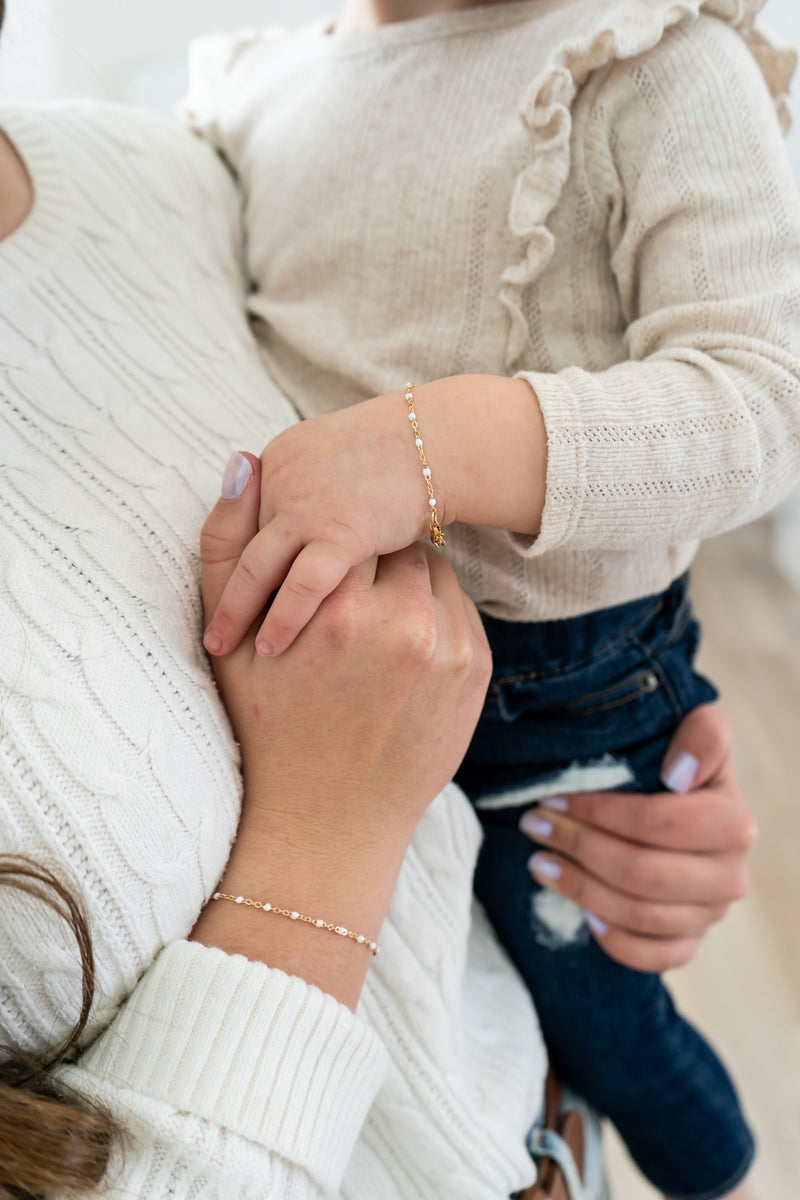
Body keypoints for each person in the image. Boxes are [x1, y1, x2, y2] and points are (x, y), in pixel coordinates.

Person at [0, 36, 757, 1200]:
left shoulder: (155, 168)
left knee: (606, 994)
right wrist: (332, 830)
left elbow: (747, 391)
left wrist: (629, 746)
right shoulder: (255, 91)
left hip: (563, 743)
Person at [183, 2, 800, 1197]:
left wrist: (436, 445)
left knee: (577, 981)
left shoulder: (654, 58)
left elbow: (759, 402)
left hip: (560, 683)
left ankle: (701, 1155)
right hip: (329, 683)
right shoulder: (257, 86)